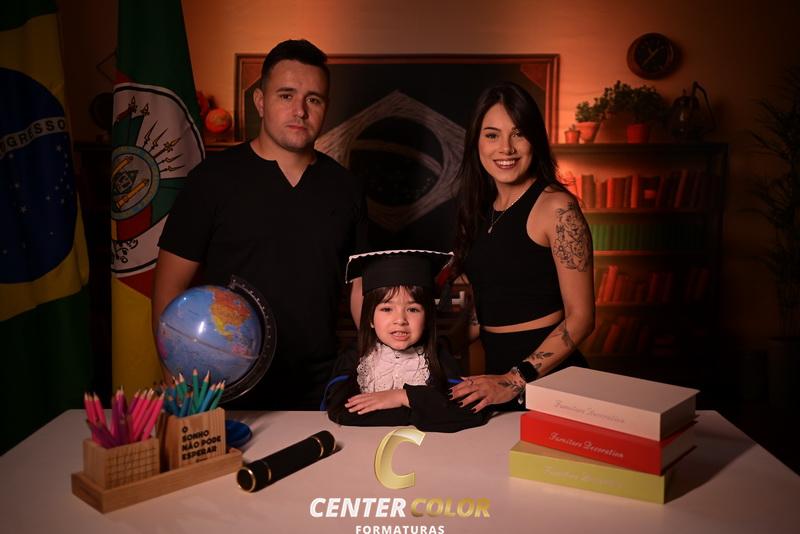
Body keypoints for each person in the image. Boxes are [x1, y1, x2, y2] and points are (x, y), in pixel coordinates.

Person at [153, 39, 367, 409]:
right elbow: (169, 284)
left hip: (320, 385)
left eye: (314, 99)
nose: (300, 110)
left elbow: (361, 289)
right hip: (224, 383)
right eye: (286, 95)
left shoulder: (345, 187)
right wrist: (175, 374)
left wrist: (381, 363)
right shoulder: (212, 179)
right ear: (261, 101)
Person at [449, 81, 594, 413]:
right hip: (494, 379)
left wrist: (514, 380)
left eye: (519, 134)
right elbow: (481, 310)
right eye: (492, 135)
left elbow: (582, 318)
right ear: (476, 141)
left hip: (551, 381)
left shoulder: (556, 207)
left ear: (535, 140)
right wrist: (426, 342)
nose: (506, 148)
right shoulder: (477, 209)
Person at [324, 250, 488, 432]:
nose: (400, 320)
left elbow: (468, 412)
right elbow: (340, 412)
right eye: (387, 309)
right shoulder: (355, 356)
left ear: (427, 318)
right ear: (370, 318)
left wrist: (402, 397)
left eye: (413, 309)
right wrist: (420, 411)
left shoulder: (438, 356)